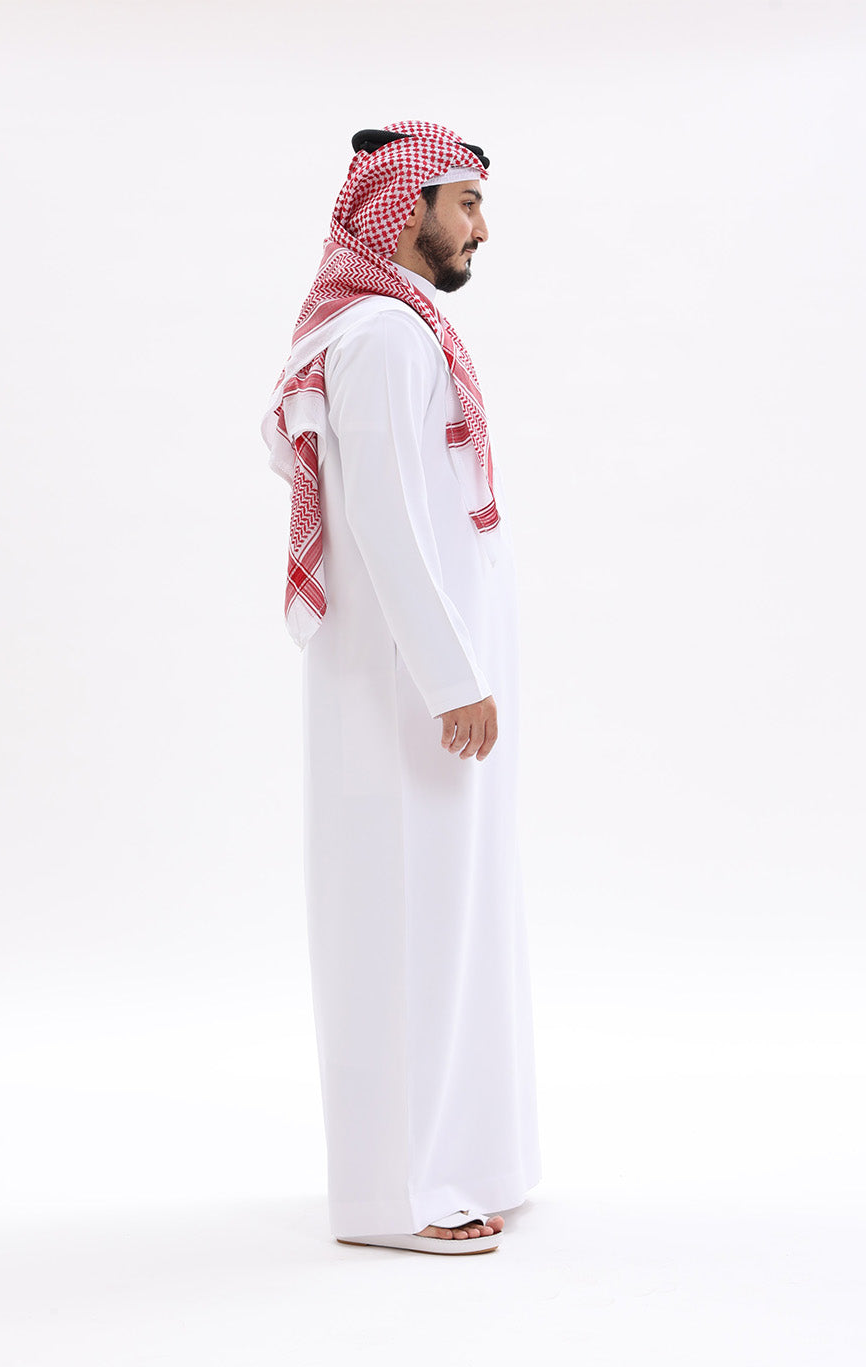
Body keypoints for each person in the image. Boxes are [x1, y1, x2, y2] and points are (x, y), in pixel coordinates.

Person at [262, 120, 541, 1255]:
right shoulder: (381, 335)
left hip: (424, 685)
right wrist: (450, 675)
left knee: (449, 918)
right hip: (403, 689)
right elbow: (382, 516)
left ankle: (466, 1159)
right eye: (464, 202)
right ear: (404, 208)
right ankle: (393, 1197)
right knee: (399, 923)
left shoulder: (401, 327)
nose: (481, 227)